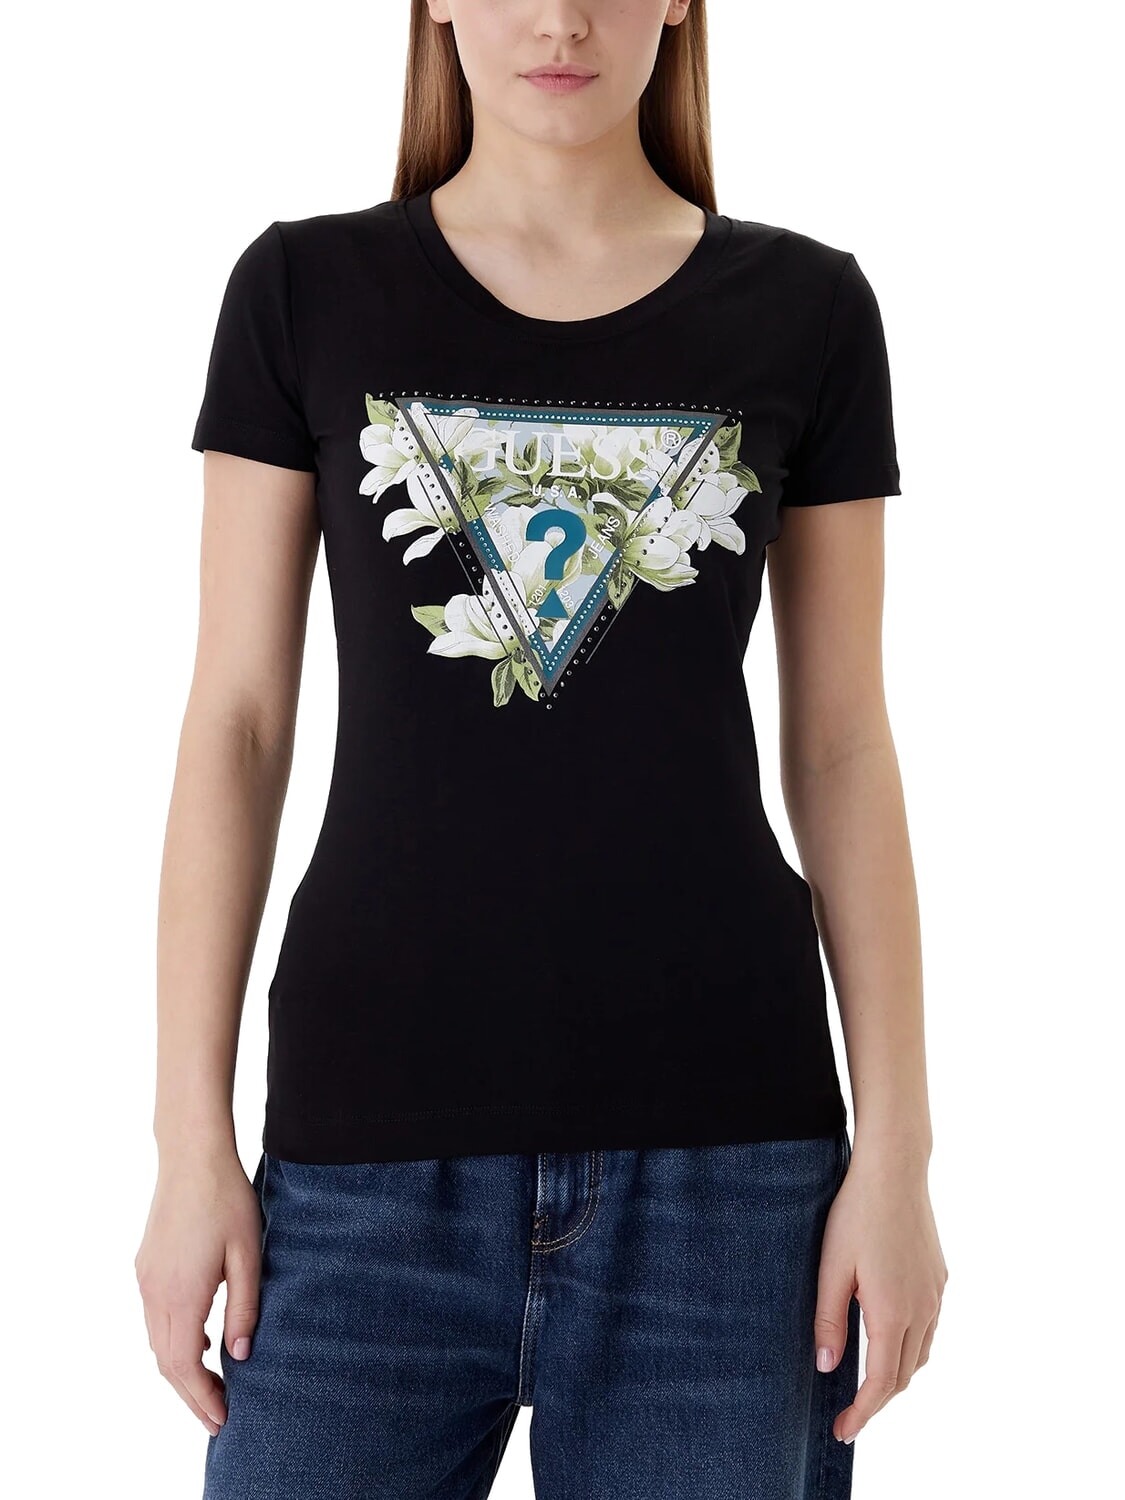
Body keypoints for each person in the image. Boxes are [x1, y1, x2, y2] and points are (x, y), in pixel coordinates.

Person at [135, 2, 948, 1496]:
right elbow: (238, 724)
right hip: (357, 1168)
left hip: (729, 1176)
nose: (561, 19)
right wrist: (190, 1146)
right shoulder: (303, 291)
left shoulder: (808, 307)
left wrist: (898, 1156)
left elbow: (841, 742)